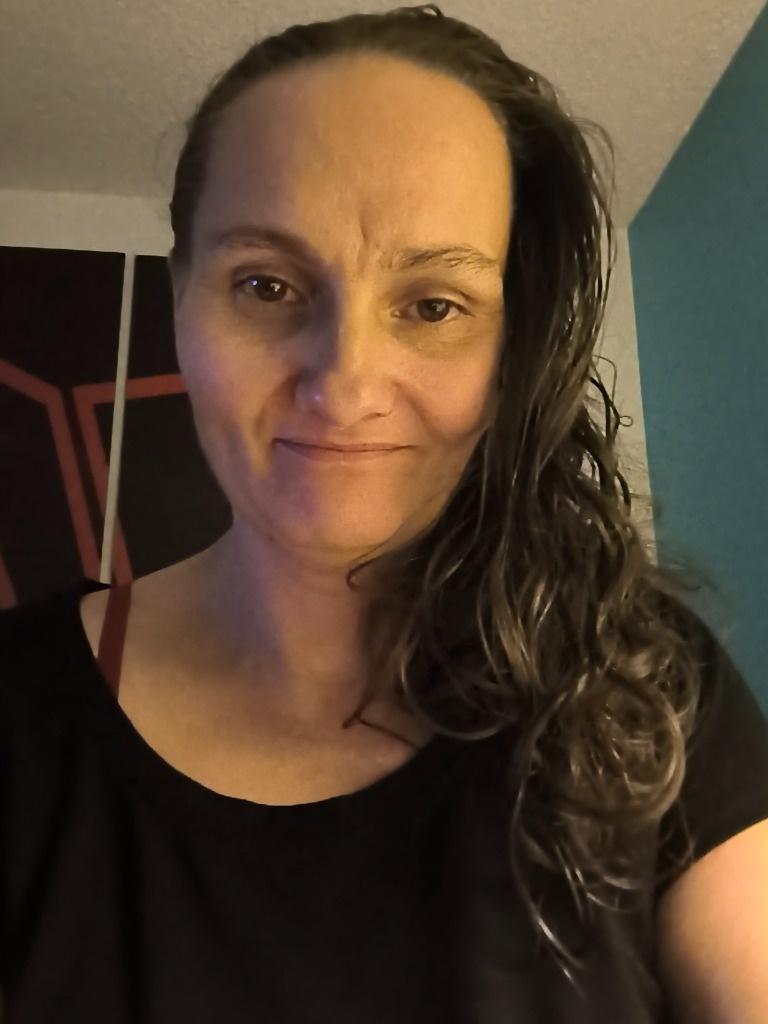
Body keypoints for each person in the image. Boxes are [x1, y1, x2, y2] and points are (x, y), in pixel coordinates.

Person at [2, 5, 768, 1022]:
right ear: (181, 298)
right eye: (266, 285)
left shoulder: (643, 688)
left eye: (434, 305)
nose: (345, 383)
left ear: (511, 348)